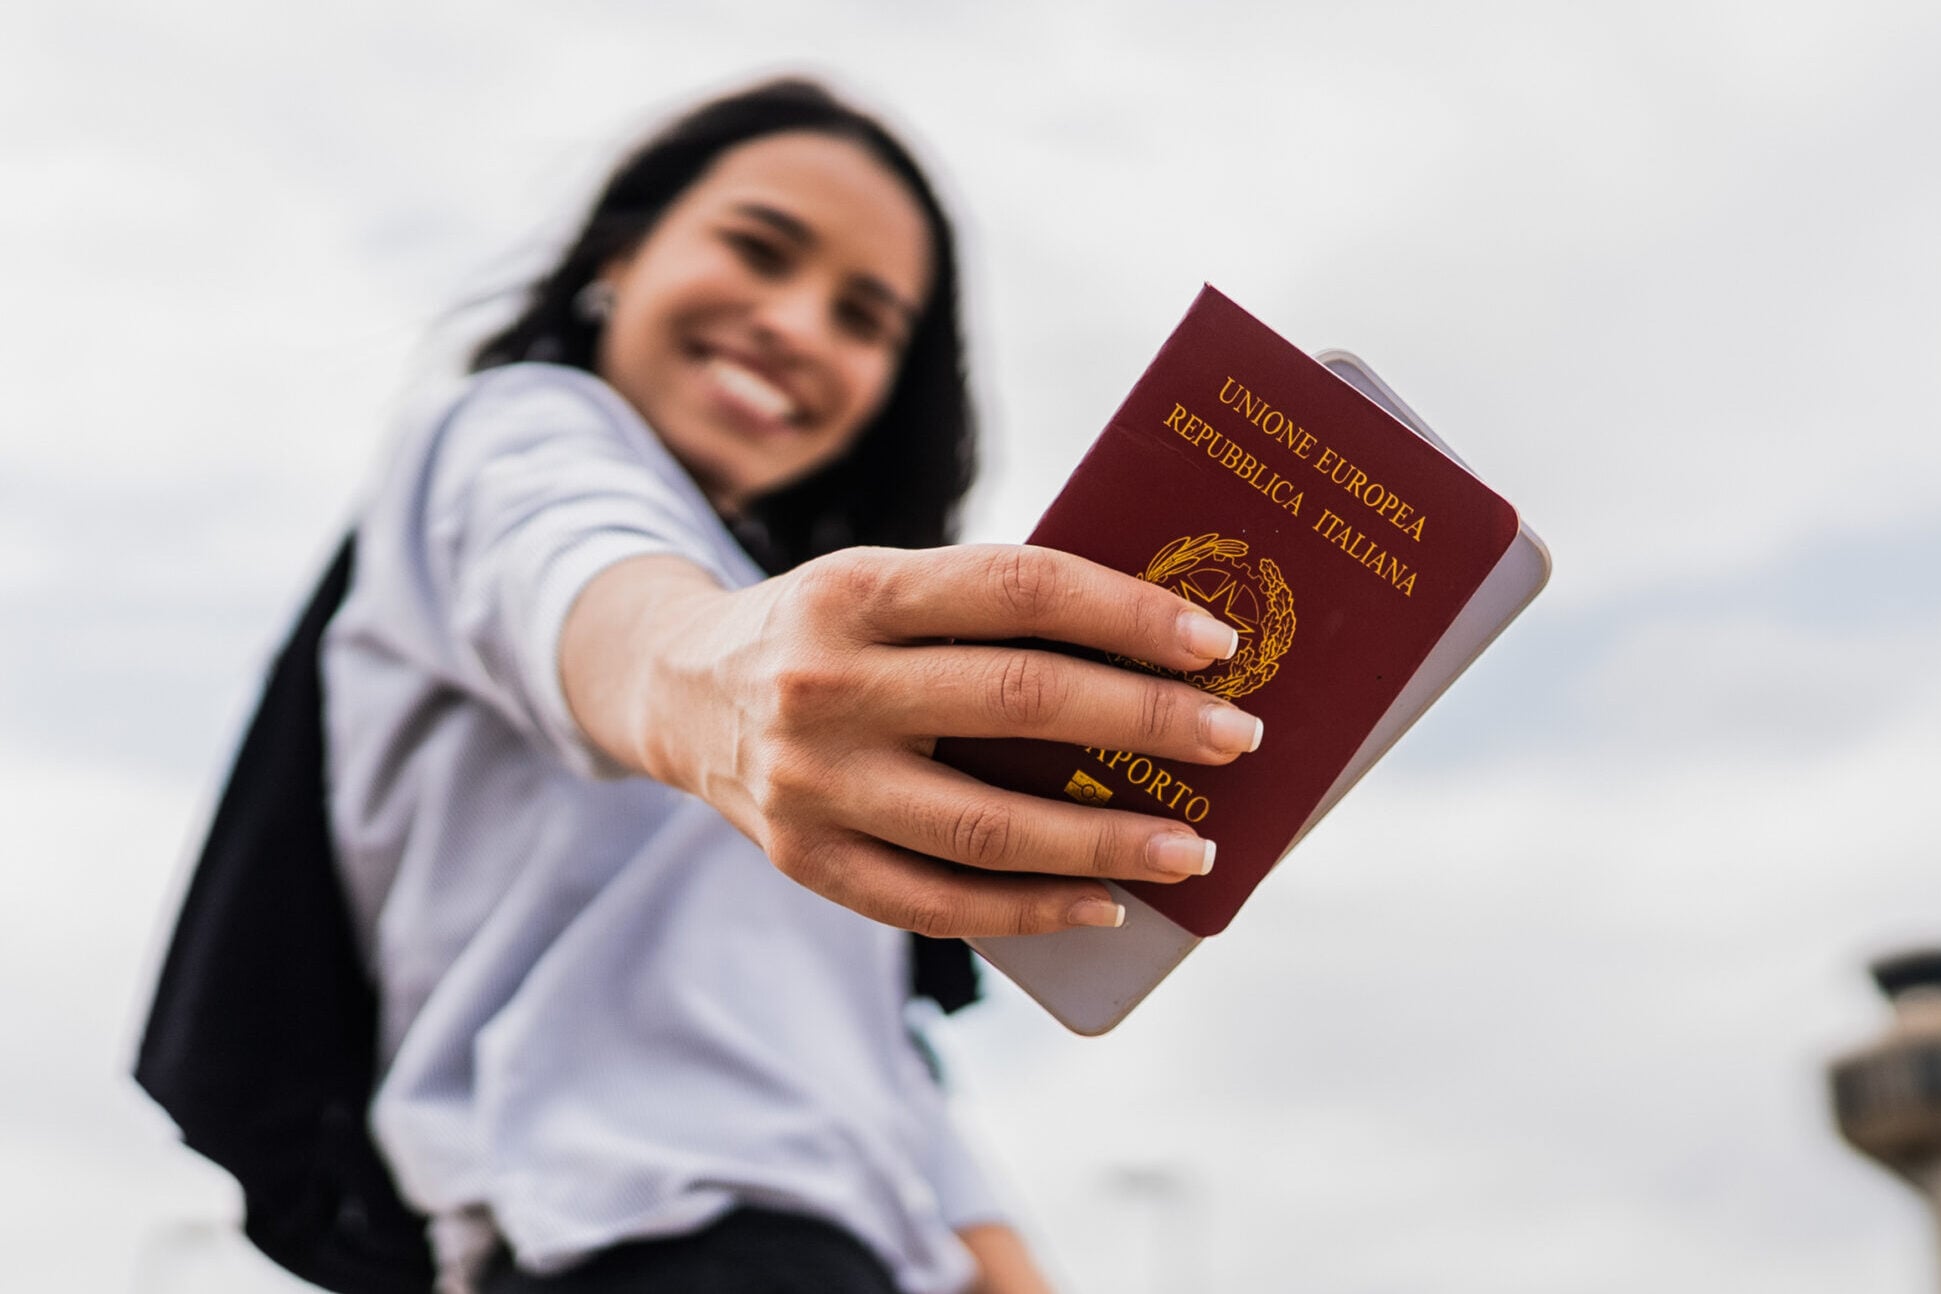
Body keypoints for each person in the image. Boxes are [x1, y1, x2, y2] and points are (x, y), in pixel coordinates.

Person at [320, 77, 1262, 1294]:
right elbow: (583, 580)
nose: (798, 326)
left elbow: (858, 1072)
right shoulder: (511, 436)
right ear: (620, 252)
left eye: (864, 320)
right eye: (757, 250)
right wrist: (716, 671)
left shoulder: (820, 689)